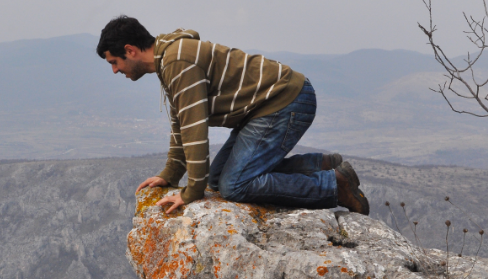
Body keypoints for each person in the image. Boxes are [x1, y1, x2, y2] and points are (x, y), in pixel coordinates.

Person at [96, 15, 369, 216]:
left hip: (285, 101)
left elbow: (194, 128)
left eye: (114, 62)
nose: (115, 71)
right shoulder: (171, 59)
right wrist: (171, 173)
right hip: (266, 106)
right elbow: (181, 120)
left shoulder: (177, 61)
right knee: (217, 180)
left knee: (234, 185)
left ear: (130, 51)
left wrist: (191, 191)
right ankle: (317, 165)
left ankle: (333, 185)